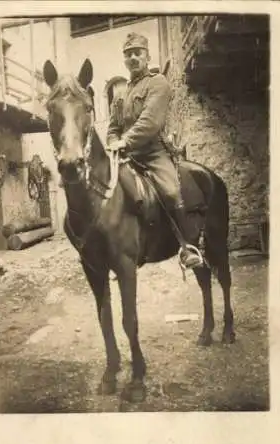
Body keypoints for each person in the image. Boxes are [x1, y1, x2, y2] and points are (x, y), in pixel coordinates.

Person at [106, 32, 202, 269]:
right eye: (128, 54)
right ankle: (121, 249)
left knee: (170, 192)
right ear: (124, 60)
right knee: (108, 196)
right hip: (126, 157)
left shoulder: (158, 83)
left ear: (147, 56)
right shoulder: (119, 95)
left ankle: (188, 246)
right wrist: (113, 142)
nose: (133, 58)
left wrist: (125, 141)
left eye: (138, 53)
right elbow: (112, 128)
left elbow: (150, 121)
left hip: (153, 153)